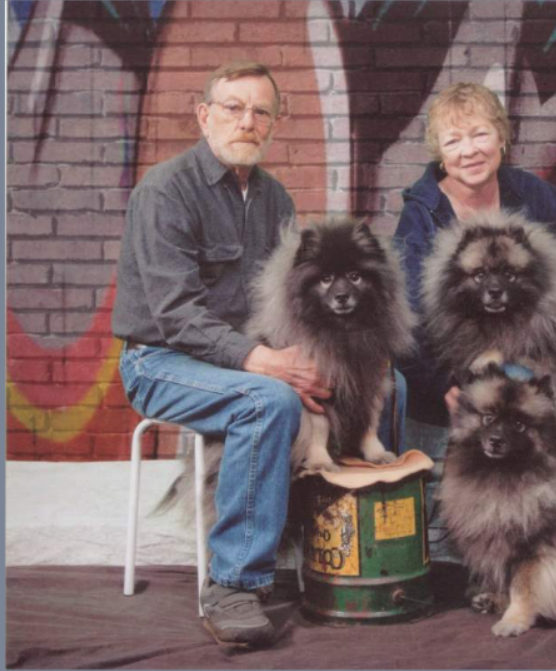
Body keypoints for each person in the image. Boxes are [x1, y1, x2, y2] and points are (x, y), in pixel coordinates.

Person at [112, 61, 405, 648]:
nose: (248, 121)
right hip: (160, 362)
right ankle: (233, 586)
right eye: (233, 107)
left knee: (380, 380)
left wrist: (314, 359)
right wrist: (268, 363)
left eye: (260, 111)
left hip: (239, 359)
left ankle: (355, 553)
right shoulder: (165, 191)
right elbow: (174, 314)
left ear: (274, 122)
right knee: (268, 400)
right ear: (204, 115)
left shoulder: (273, 198)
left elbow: (287, 304)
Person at [395, 82, 556, 471]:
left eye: (480, 134)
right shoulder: (422, 215)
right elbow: (410, 320)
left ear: (501, 137)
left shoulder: (534, 195)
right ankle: (527, 503)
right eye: (453, 141)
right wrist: (442, 387)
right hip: (465, 366)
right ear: (440, 152)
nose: (469, 151)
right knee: (513, 379)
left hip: (549, 349)